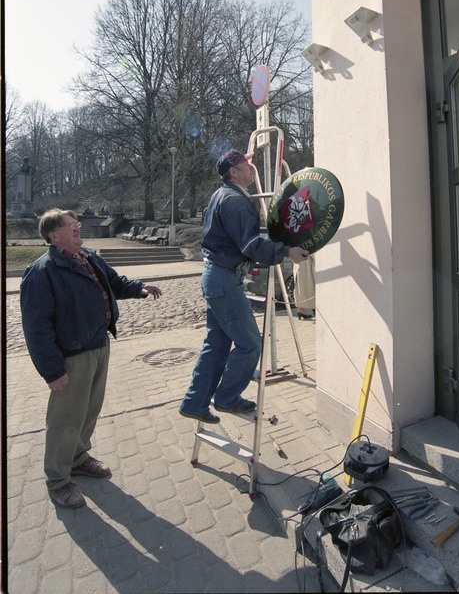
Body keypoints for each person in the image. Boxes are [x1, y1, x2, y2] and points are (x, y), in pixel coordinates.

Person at [20, 208, 162, 509]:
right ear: (53, 236)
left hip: (98, 346)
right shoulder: (42, 272)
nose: (77, 229)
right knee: (65, 420)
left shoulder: (90, 257)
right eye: (71, 226)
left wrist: (140, 288)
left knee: (88, 413)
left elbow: (114, 283)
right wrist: (52, 371)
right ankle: (58, 480)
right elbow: (37, 328)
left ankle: (78, 458)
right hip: (71, 356)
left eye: (77, 224)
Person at [179, 149, 309, 424]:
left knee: (216, 345)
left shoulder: (220, 195)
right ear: (233, 172)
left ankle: (194, 402)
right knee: (250, 345)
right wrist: (287, 252)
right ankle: (227, 398)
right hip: (225, 280)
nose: (251, 169)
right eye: (245, 165)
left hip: (216, 276)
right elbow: (250, 245)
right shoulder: (236, 201)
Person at [294, 253, 316, 320]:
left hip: (298, 261)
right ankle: (316, 309)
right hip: (307, 260)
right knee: (311, 284)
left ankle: (301, 310)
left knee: (300, 286)